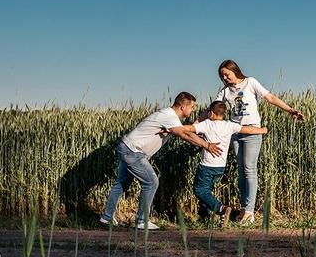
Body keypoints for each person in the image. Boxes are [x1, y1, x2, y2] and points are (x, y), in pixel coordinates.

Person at [100, 91, 222, 230]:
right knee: (151, 182)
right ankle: (141, 221)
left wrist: (204, 116)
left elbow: (189, 130)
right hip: (133, 151)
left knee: (122, 183)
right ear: (183, 107)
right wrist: (207, 145)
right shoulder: (168, 116)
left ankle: (106, 218)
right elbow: (185, 134)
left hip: (128, 148)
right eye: (192, 107)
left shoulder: (170, 118)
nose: (193, 109)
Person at [207, 59, 304, 226]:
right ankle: (245, 210)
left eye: (226, 74)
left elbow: (270, 97)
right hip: (236, 132)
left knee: (249, 169)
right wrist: (192, 127)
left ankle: (249, 212)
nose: (224, 77)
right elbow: (212, 110)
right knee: (241, 171)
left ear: (234, 70)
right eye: (221, 76)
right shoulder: (224, 92)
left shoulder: (250, 82)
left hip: (252, 131)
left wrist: (291, 110)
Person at [176, 100, 268, 225]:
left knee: (199, 190)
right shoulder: (229, 125)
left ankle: (221, 209)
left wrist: (172, 128)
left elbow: (189, 128)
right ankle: (205, 217)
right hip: (220, 168)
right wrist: (262, 130)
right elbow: (247, 130)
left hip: (207, 166)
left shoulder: (207, 124)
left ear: (211, 114)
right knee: (207, 192)